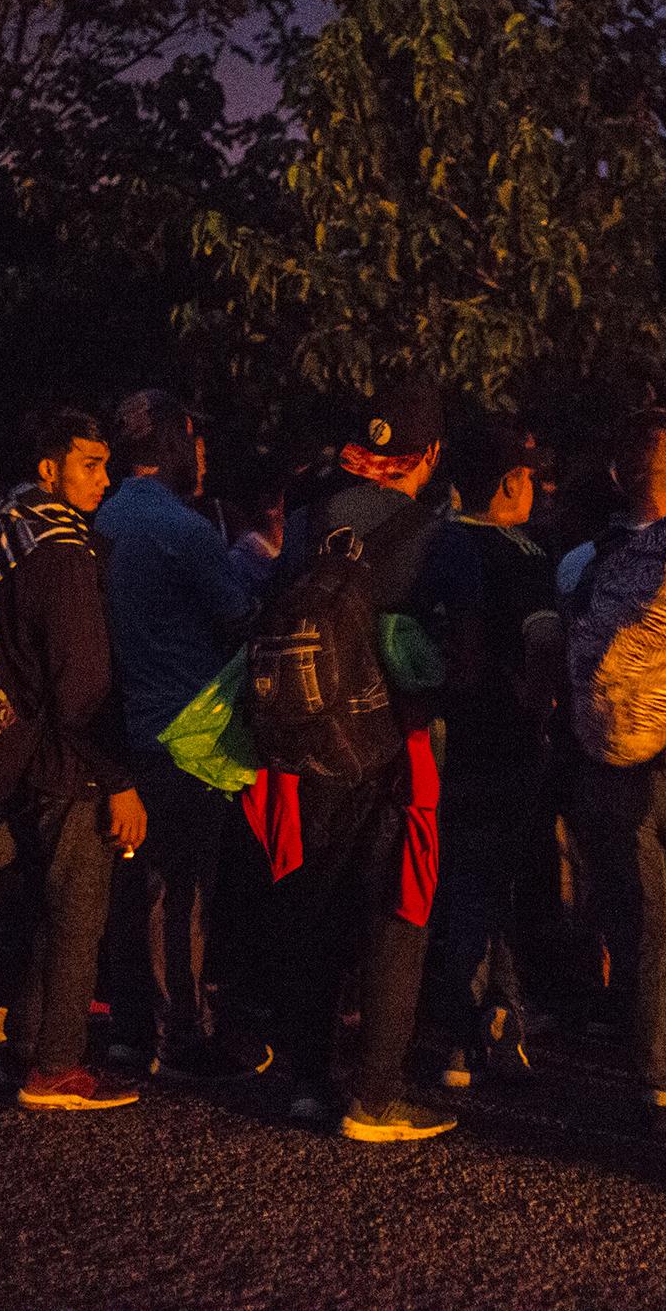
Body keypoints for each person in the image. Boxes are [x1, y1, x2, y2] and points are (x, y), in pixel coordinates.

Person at [0, 408, 147, 1111]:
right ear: (50, 470)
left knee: (41, 907)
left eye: (105, 464)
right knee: (76, 914)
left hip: (24, 753)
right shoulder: (62, 552)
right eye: (89, 464)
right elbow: (84, 685)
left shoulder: (7, 532)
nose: (103, 478)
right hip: (70, 761)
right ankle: (56, 1065)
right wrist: (119, 781)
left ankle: (25, 1049)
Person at [270, 377, 455, 1143]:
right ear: (431, 453)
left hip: (303, 744)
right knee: (394, 914)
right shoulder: (435, 535)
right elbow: (457, 661)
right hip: (399, 751)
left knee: (311, 906)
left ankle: (306, 1078)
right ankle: (376, 1095)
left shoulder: (309, 519)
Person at [94, 389, 268, 1080]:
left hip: (118, 732)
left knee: (132, 887)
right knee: (185, 889)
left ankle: (130, 1030)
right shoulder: (186, 529)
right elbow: (238, 617)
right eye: (194, 442)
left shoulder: (100, 520)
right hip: (188, 734)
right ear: (171, 443)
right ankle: (183, 1034)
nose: (202, 456)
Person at [559, 413, 666, 1128]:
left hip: (599, 760)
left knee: (639, 918)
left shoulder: (581, 561)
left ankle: (656, 1061)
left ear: (619, 478)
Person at [419, 421, 560, 1088]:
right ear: (510, 483)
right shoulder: (523, 555)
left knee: (454, 877)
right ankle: (458, 1027)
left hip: (427, 730)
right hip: (499, 735)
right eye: (529, 475)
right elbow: (540, 645)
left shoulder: (429, 542)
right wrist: (539, 707)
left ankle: (498, 1014)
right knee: (488, 877)